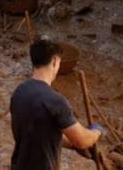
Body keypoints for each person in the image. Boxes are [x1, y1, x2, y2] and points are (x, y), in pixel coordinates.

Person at [9, 37, 102, 170]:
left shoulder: (19, 92)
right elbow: (81, 141)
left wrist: (71, 143)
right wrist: (96, 131)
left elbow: (38, 134)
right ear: (55, 61)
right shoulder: (55, 101)